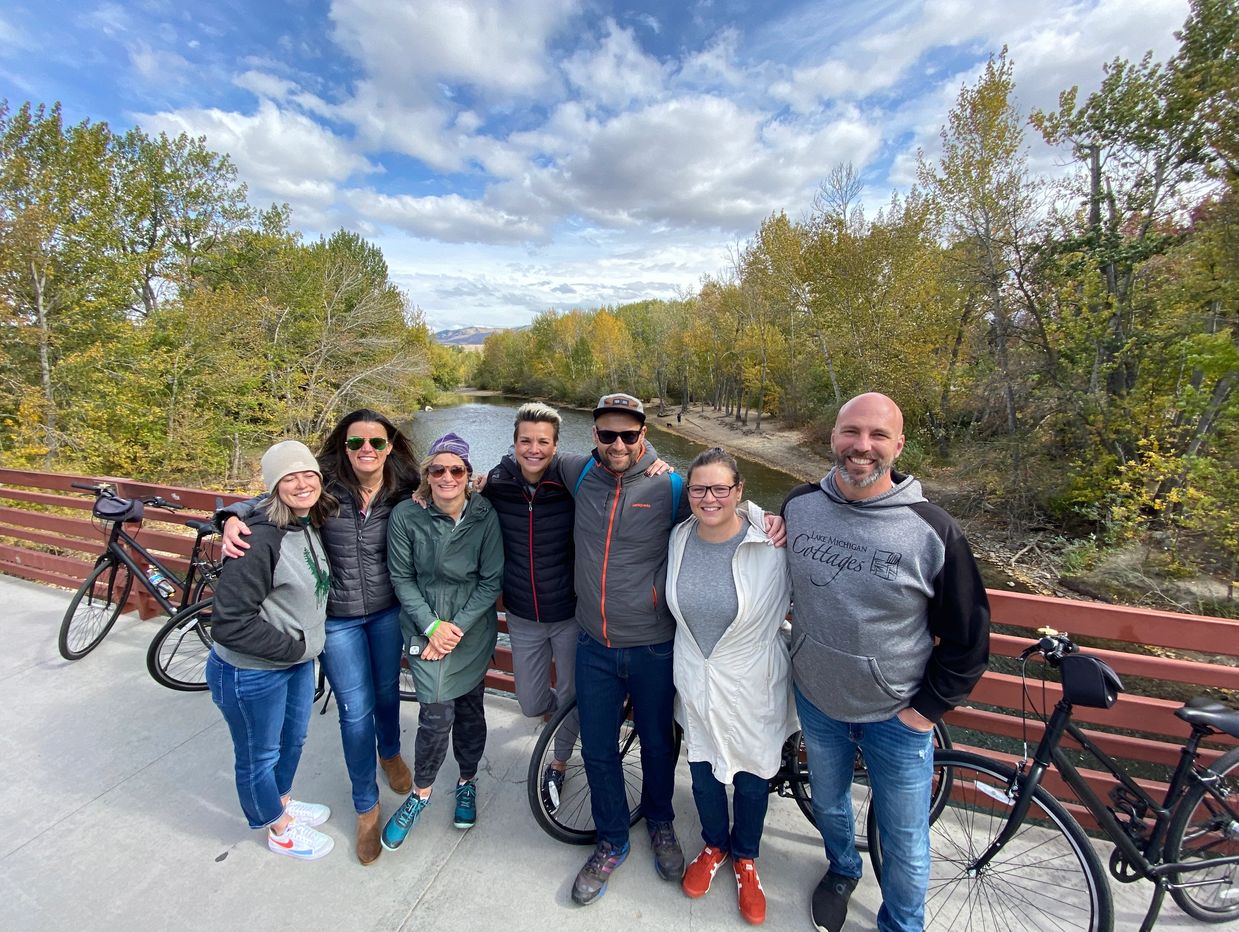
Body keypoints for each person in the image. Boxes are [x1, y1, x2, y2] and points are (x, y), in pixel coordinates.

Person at [564, 392, 787, 906]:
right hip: (593, 642)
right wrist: (467, 479)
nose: (618, 443)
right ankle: (612, 841)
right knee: (597, 751)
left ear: (644, 433)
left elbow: (721, 498)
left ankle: (661, 824)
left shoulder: (670, 485)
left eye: (628, 433)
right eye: (606, 434)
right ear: (593, 435)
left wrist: (772, 516)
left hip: (655, 647)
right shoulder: (578, 472)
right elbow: (529, 459)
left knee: (659, 745)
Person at [781, 392, 990, 932]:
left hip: (897, 715)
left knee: (904, 841)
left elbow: (970, 639)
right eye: (851, 432)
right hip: (818, 700)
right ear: (832, 437)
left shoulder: (932, 530)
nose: (862, 446)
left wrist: (924, 712)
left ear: (898, 445)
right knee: (829, 807)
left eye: (877, 436)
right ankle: (843, 868)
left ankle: (900, 923)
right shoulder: (798, 507)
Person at [217, 409, 421, 864]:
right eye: (355, 443)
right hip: (338, 618)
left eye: (375, 441)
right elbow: (268, 498)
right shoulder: (323, 484)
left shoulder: (405, 486)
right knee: (354, 711)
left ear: (390, 445)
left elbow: (452, 492)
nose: (365, 450)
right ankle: (366, 808)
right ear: (342, 447)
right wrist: (229, 516)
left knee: (388, 694)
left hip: (387, 611)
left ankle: (390, 754)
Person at [475, 402, 669, 815]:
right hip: (524, 615)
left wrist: (656, 461)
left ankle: (559, 760)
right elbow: (455, 500)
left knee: (570, 698)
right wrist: (440, 485)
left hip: (570, 615)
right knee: (531, 702)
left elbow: (710, 508)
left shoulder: (588, 478)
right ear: (513, 443)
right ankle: (565, 726)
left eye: (543, 442)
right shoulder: (501, 482)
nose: (534, 449)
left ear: (556, 447)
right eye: (525, 440)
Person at [666, 447, 793, 925]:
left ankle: (745, 858)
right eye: (699, 488)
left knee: (751, 777)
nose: (709, 497)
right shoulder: (679, 537)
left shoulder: (773, 543)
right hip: (695, 678)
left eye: (721, 488)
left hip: (752, 682)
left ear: (740, 491)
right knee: (701, 768)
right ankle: (714, 845)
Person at [207, 440, 336, 860]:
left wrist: (230, 512)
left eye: (308, 474)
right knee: (257, 755)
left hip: (294, 662)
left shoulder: (304, 521)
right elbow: (228, 623)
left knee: (292, 739)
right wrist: (295, 648)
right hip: (251, 672)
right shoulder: (258, 539)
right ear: (274, 486)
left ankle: (280, 801)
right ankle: (277, 828)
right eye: (289, 477)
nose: (302, 484)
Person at [381, 432, 503, 850]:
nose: (447, 476)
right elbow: (402, 577)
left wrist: (454, 630)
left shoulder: (485, 515)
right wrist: (433, 627)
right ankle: (422, 793)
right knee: (435, 717)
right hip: (424, 624)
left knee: (469, 710)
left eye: (456, 469)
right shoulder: (406, 516)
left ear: (469, 475)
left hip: (470, 629)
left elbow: (490, 582)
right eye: (438, 469)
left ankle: (467, 781)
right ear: (427, 474)